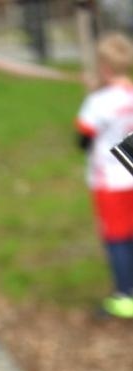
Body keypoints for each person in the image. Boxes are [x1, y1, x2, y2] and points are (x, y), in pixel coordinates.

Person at [76, 31, 133, 318]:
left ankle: (124, 298)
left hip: (109, 182)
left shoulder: (98, 102)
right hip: (131, 175)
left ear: (104, 66)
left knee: (117, 239)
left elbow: (83, 139)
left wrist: (93, 94)